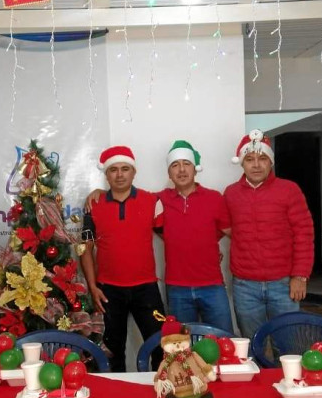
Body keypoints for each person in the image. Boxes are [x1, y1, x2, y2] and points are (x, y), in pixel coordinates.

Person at [86, 141, 233, 332]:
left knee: (225, 341)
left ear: (195, 169)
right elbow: (124, 197)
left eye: (186, 164)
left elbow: (233, 233)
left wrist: (208, 245)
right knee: (179, 348)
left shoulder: (214, 198)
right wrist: (99, 193)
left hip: (212, 286)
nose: (181, 170)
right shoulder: (157, 200)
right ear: (169, 174)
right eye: (175, 165)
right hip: (177, 289)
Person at [80, 146, 165, 372]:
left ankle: (163, 391)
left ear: (133, 172)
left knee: (161, 347)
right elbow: (84, 249)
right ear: (106, 174)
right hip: (108, 292)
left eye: (125, 169)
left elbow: (172, 237)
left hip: (146, 289)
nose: (119, 174)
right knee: (111, 351)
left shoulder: (152, 201)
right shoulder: (92, 205)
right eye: (113, 170)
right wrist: (92, 286)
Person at [224, 130, 314, 339]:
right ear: (242, 163)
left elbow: (304, 233)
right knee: (250, 347)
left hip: (283, 284)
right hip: (245, 286)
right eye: (250, 159)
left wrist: (300, 275)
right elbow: (225, 228)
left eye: (262, 158)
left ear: (271, 162)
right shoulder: (230, 193)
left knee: (287, 348)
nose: (256, 165)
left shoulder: (289, 190)